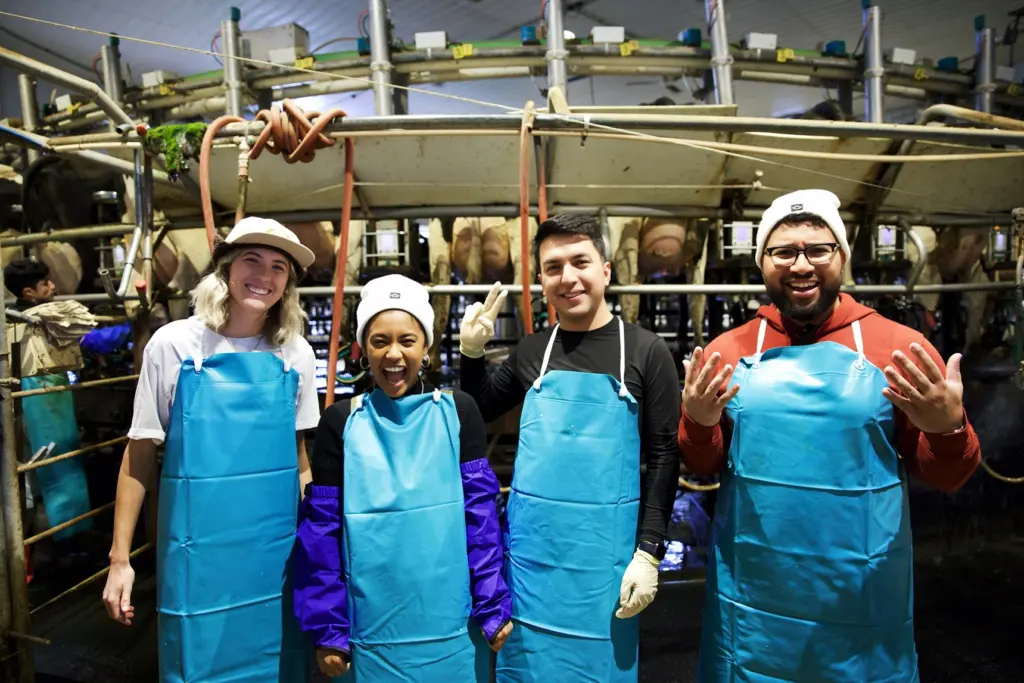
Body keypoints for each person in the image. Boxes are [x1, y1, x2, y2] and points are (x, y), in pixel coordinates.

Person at [678, 189, 982, 682]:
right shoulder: (727, 349)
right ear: (762, 263)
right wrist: (697, 421)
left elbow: (948, 477)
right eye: (783, 251)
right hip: (755, 596)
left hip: (858, 591)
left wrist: (948, 428)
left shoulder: (898, 348)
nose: (801, 265)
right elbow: (705, 465)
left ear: (841, 256)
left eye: (818, 249)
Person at [459, 213, 682, 682]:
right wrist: (471, 356)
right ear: (541, 281)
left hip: (605, 564)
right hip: (532, 564)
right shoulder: (531, 352)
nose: (568, 277)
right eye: (553, 266)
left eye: (580, 261)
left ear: (606, 270)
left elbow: (664, 455)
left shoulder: (645, 352)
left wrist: (649, 553)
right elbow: (476, 411)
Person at [101, 217, 320, 683]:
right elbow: (139, 455)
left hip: (273, 554)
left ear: (288, 283)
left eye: (279, 267)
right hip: (197, 553)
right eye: (252, 260)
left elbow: (298, 459)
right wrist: (121, 560)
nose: (264, 275)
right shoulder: (174, 344)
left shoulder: (296, 353)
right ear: (224, 269)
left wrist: (318, 548)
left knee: (278, 663)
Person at [294, 273, 512, 680]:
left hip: (451, 624)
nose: (393, 355)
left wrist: (493, 605)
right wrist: (329, 631)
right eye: (380, 341)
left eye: (407, 341)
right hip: (370, 627)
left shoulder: (460, 412)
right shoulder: (340, 421)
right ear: (364, 350)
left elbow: (480, 519)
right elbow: (321, 533)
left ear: (425, 347)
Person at [3, 258, 92, 564]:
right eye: (46, 283)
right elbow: (89, 339)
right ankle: (69, 544)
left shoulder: (15, 320)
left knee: (46, 473)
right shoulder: (40, 320)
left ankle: (54, 544)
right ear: (30, 292)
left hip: (37, 402)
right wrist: (126, 329)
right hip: (44, 401)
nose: (53, 287)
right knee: (58, 467)